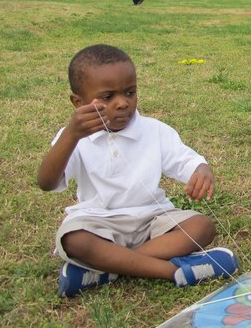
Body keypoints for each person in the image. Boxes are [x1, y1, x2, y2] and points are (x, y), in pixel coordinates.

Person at [37, 44, 239, 297]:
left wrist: (202, 170)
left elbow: (186, 160)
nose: (123, 103)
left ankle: (107, 269)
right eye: (108, 97)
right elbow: (46, 182)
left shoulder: (155, 130)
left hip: (152, 220)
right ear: (79, 103)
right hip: (98, 222)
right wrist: (71, 135)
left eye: (130, 92)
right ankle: (172, 272)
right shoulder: (73, 138)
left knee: (201, 226)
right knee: (74, 239)